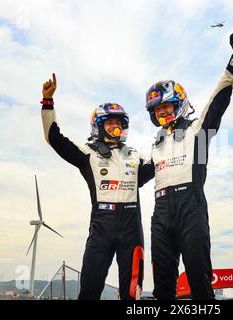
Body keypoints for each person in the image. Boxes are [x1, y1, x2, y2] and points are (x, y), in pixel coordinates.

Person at [144, 31, 233, 299]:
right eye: (158, 110)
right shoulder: (155, 145)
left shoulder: (197, 130)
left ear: (179, 104)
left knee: (199, 281)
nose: (163, 113)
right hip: (161, 214)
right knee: (163, 287)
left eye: (167, 107)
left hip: (191, 209)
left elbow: (219, 99)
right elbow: (127, 175)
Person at [40, 73, 153, 300]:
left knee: (132, 293)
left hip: (132, 229)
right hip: (101, 227)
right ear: (98, 126)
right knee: (90, 289)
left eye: (119, 123)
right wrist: (48, 102)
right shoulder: (87, 154)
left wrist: (182, 134)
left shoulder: (136, 155)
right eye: (110, 123)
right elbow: (55, 138)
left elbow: (165, 158)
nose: (116, 127)